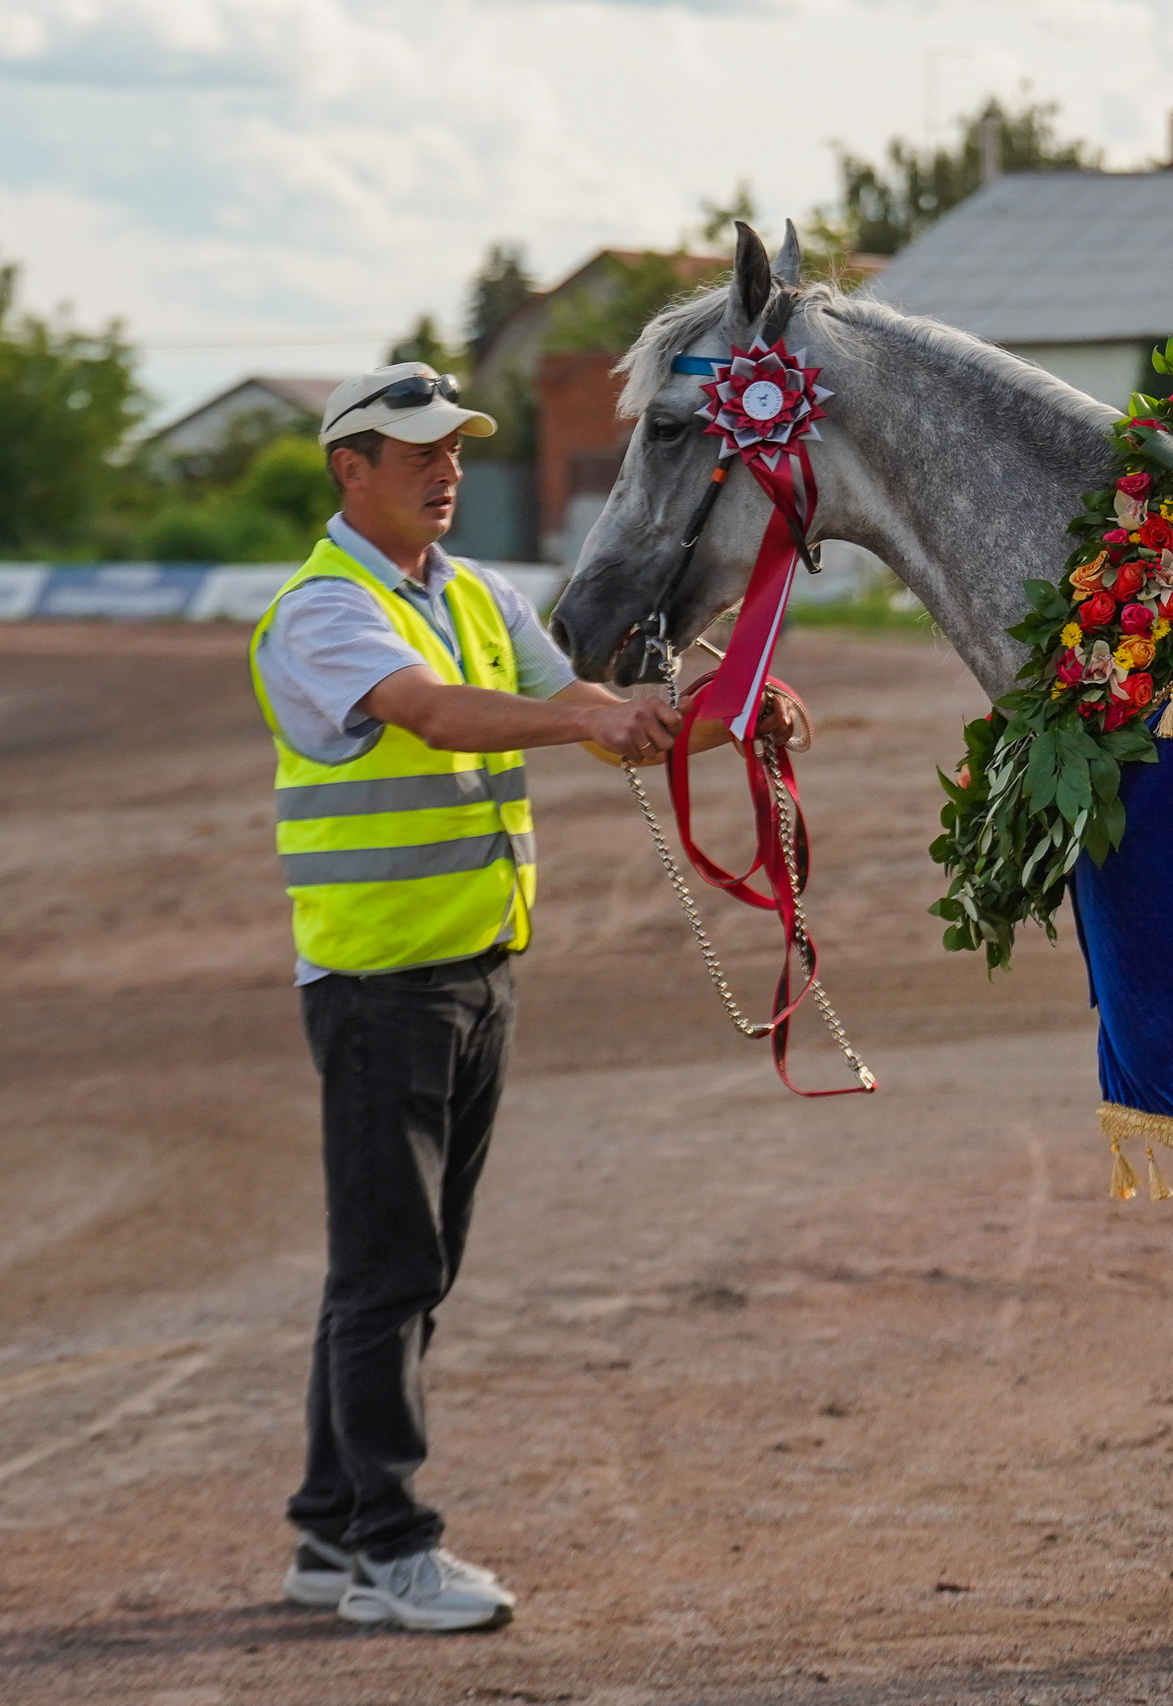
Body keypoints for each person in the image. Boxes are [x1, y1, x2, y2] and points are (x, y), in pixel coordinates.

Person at [249, 363, 749, 1632]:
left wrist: (714, 719)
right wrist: (594, 718)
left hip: (473, 971)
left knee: (407, 1267)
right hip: (378, 986)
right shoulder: (323, 611)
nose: (448, 466)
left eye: (456, 446)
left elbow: (583, 708)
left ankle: (327, 1528)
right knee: (389, 1273)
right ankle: (390, 1546)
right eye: (415, 448)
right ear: (347, 468)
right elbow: (437, 714)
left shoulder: (471, 592)